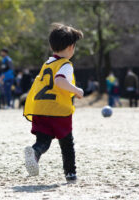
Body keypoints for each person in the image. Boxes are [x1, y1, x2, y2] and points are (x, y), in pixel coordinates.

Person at [23, 23, 84, 181]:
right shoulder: (65, 65)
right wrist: (76, 90)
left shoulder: (47, 64)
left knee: (43, 140)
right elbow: (59, 81)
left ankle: (35, 153)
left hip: (40, 108)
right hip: (58, 109)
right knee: (66, 142)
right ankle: (70, 173)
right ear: (71, 47)